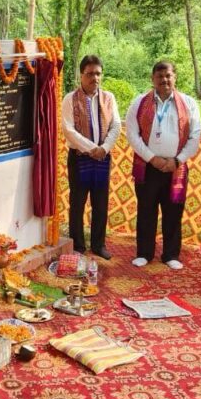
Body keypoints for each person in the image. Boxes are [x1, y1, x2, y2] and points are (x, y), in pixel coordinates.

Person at [126, 61, 201, 270]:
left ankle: (170, 254)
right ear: (153, 79)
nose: (164, 80)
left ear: (174, 77)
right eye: (159, 76)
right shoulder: (139, 102)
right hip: (148, 165)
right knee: (146, 210)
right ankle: (144, 253)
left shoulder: (189, 103)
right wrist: (152, 158)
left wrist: (177, 160)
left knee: (173, 211)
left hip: (176, 167)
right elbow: (132, 134)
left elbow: (195, 136)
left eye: (168, 75)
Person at [60, 55, 122, 260]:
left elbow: (116, 126)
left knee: (101, 202)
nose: (94, 78)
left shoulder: (109, 98)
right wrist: (91, 148)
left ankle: (98, 244)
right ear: (81, 75)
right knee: (77, 202)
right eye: (89, 74)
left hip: (102, 158)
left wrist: (103, 148)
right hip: (80, 157)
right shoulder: (70, 99)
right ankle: (78, 244)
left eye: (97, 73)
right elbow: (68, 130)